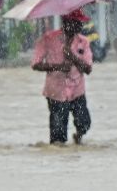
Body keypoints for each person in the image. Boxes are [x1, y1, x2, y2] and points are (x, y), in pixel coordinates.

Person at [32, 10, 94, 144]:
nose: (80, 26)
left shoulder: (83, 41)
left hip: (77, 90)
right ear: (66, 23)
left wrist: (73, 58)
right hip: (56, 91)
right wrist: (58, 67)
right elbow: (35, 64)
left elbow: (88, 69)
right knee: (58, 135)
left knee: (84, 123)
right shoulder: (48, 39)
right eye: (77, 23)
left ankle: (78, 136)